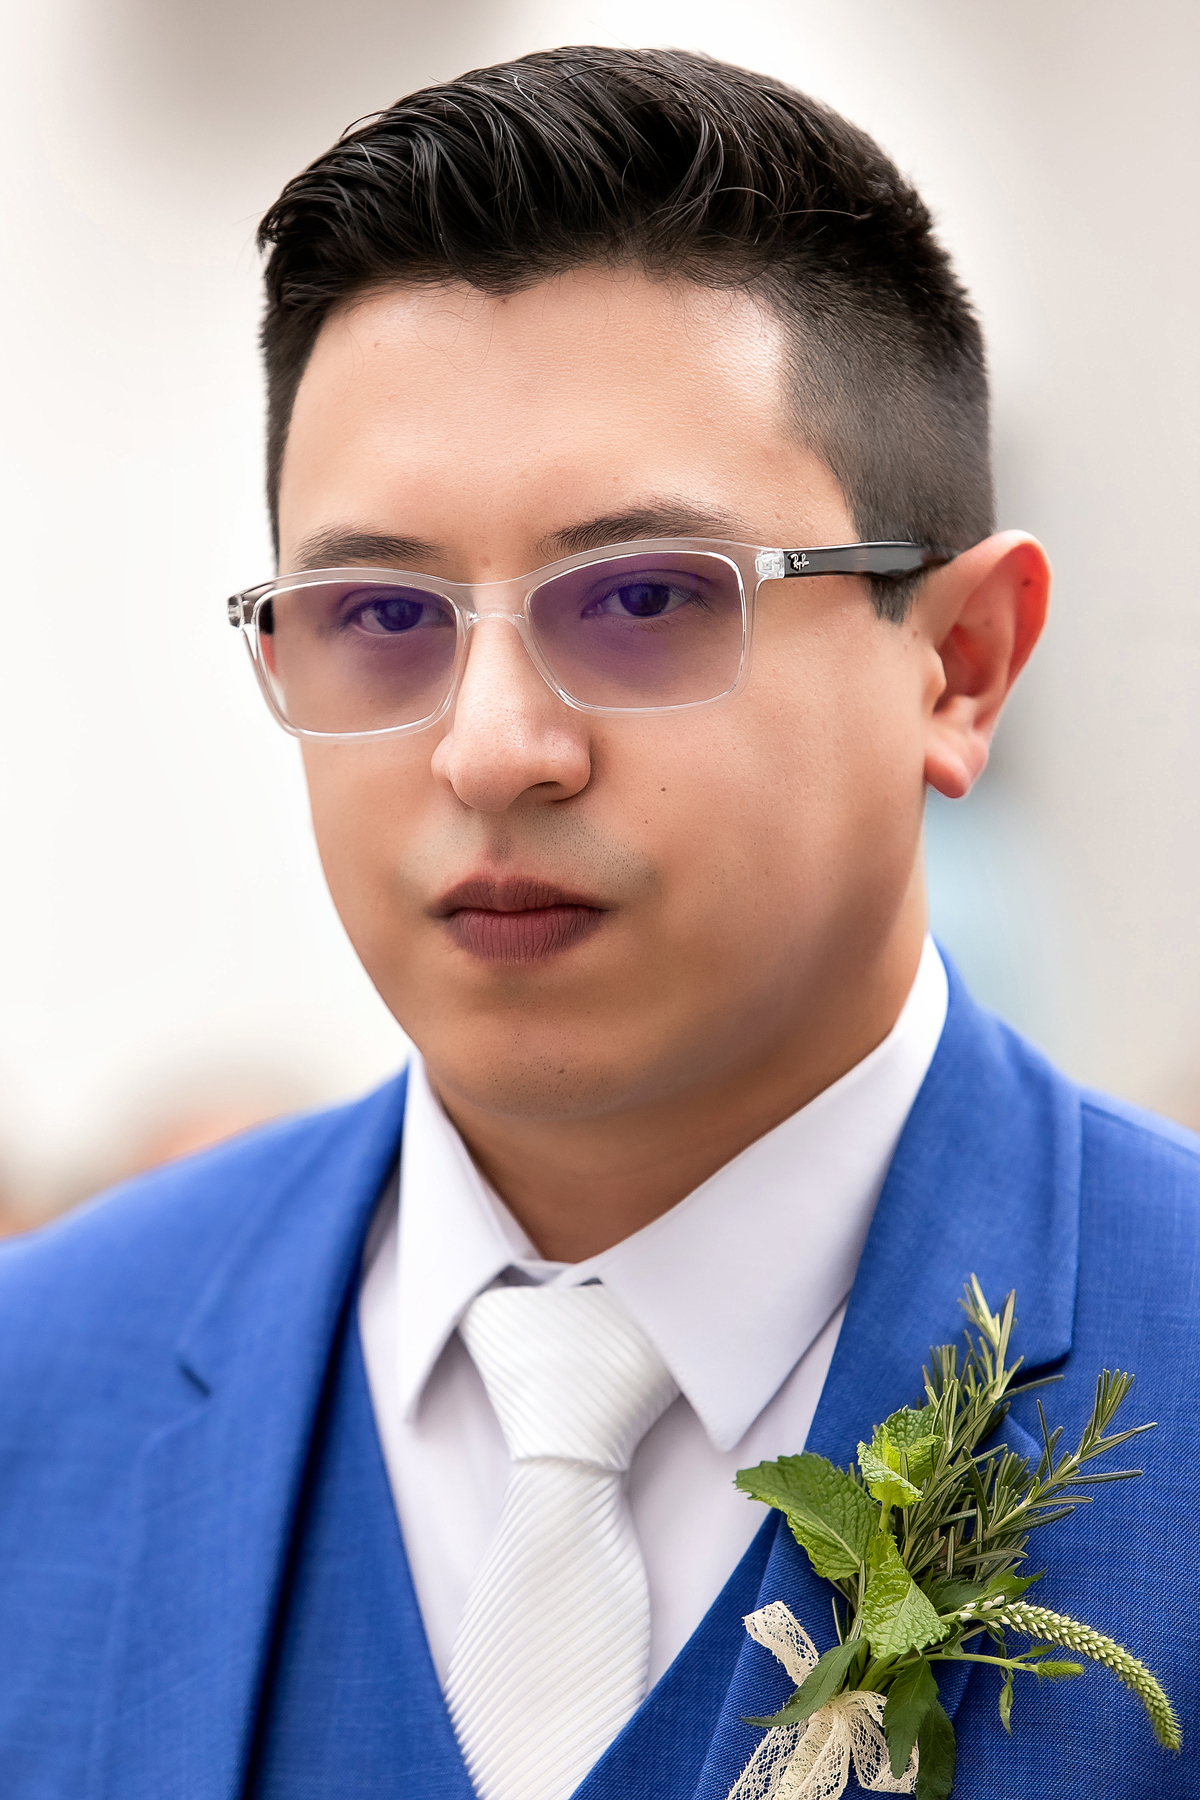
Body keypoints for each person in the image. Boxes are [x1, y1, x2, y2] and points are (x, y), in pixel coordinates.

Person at [0, 46, 1194, 1800]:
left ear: (959, 663)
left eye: (643, 598)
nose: (492, 747)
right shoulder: (44, 1390)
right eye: (382, 614)